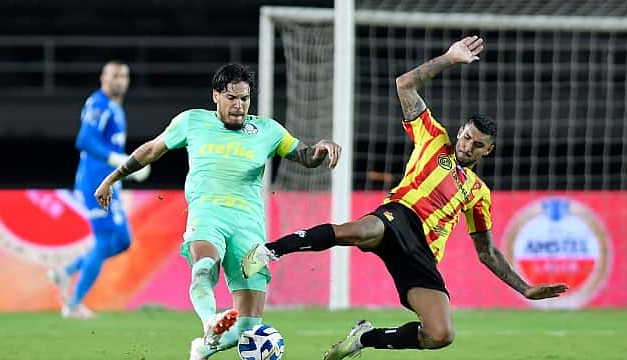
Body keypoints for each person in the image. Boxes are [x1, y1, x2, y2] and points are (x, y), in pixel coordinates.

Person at [240, 36, 569, 360]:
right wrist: (449, 59)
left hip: (422, 254)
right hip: (398, 216)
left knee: (440, 334)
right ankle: (269, 251)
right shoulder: (433, 137)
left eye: (478, 144)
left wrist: (524, 288)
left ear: (488, 150)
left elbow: (487, 253)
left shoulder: (478, 193)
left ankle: (363, 338)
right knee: (357, 231)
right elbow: (405, 85)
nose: (468, 146)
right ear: (460, 132)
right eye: (467, 137)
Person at [92, 63, 341, 359]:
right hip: (208, 213)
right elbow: (151, 150)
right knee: (204, 266)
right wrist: (113, 177)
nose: (239, 106)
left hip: (249, 226)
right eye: (232, 97)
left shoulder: (268, 130)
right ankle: (209, 320)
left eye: (245, 99)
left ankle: (203, 346)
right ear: (216, 96)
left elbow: (305, 156)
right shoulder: (192, 122)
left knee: (249, 325)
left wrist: (321, 147)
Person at [47, 60, 150, 319]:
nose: (120, 80)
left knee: (123, 240)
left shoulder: (116, 108)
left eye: (124, 76)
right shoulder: (98, 104)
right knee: (104, 241)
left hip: (110, 182)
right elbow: (84, 140)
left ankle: (66, 271)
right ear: (103, 78)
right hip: (95, 182)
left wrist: (125, 168)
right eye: (115, 75)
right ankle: (73, 305)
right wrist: (119, 161)